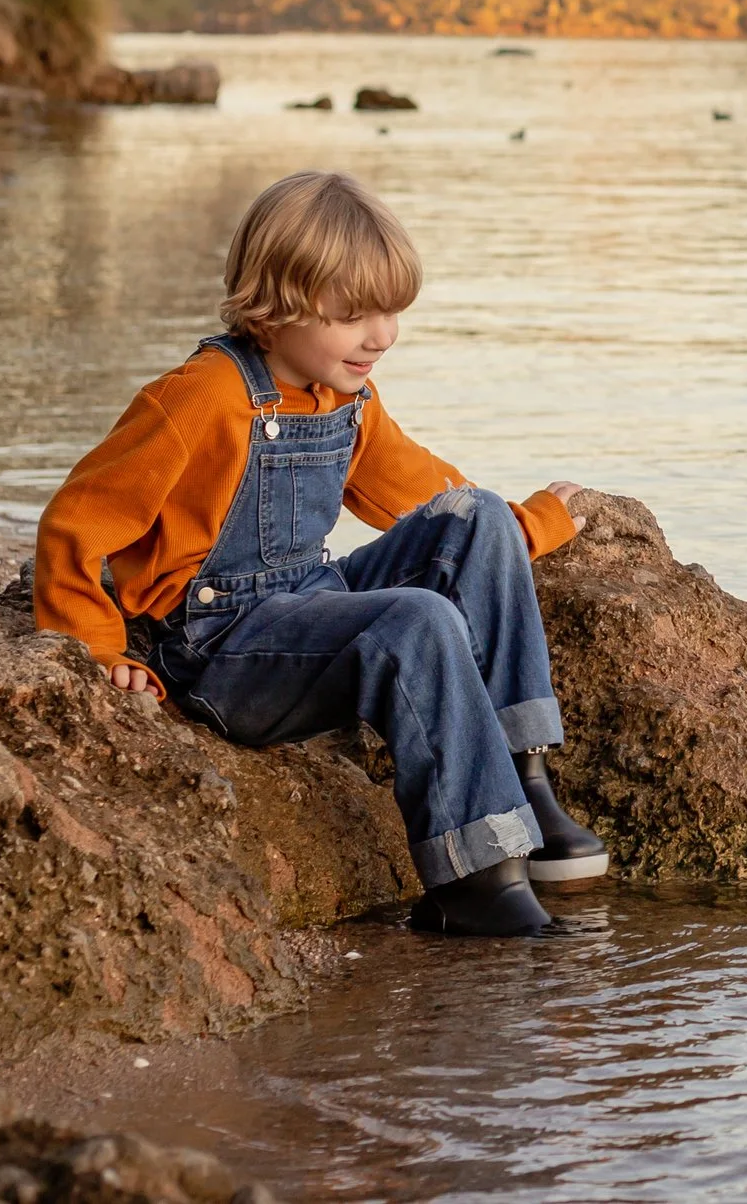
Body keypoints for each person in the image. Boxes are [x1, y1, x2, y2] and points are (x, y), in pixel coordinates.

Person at [33, 169, 606, 936]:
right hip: (220, 653)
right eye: (354, 315)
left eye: (392, 312)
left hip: (310, 602)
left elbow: (417, 493)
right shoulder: (201, 397)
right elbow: (77, 522)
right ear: (274, 309)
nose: (382, 336)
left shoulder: (346, 395)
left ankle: (520, 776)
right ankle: (477, 880)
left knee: (474, 516)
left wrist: (525, 525)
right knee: (417, 621)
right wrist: (101, 651)